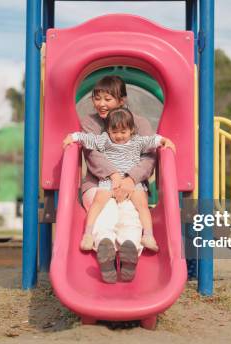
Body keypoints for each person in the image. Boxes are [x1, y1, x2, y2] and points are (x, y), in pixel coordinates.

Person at [76, 75, 158, 283]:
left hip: (132, 183)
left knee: (129, 212)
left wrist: (130, 179)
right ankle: (106, 249)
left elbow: (149, 155)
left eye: (108, 99)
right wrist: (113, 175)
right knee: (108, 209)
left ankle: (130, 249)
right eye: (97, 98)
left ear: (121, 100)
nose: (101, 104)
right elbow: (92, 153)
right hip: (98, 183)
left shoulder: (139, 123)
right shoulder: (91, 123)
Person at [64, 107, 175, 255]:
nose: (119, 136)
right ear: (108, 130)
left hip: (132, 183)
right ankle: (88, 235)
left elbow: (152, 140)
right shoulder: (105, 140)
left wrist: (164, 140)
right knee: (98, 203)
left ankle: (148, 236)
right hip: (109, 182)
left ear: (131, 130)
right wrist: (73, 137)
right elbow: (88, 139)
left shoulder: (137, 142)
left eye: (123, 132)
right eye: (114, 132)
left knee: (142, 206)